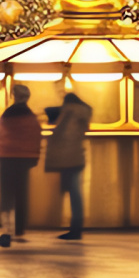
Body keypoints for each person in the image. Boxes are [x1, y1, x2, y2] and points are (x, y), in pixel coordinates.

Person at [0, 84, 42, 246]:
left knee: (6, 193)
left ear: (14, 96)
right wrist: (35, 156)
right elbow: (36, 137)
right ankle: (19, 229)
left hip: (7, 157)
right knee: (21, 194)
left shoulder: (7, 114)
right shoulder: (31, 116)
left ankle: (6, 228)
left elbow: (1, 134)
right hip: (24, 159)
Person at [44, 89, 92, 240]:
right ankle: (76, 228)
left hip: (68, 158)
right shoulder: (83, 113)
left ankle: (75, 230)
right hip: (77, 156)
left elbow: (61, 135)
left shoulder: (69, 113)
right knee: (75, 194)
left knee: (73, 194)